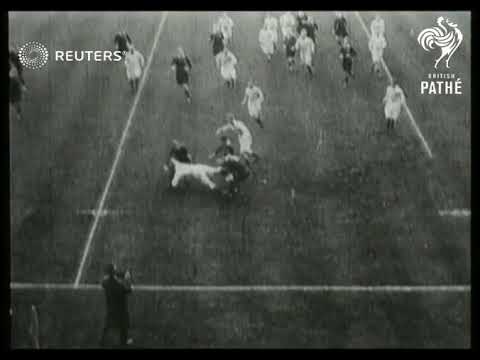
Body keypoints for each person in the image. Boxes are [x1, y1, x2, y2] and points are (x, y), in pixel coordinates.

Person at [100, 264, 133, 347]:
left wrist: (120, 275)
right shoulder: (119, 287)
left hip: (111, 308)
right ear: (113, 272)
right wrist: (128, 279)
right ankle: (124, 342)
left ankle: (102, 341)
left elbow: (110, 278)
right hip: (120, 310)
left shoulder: (105, 283)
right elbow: (128, 290)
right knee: (124, 325)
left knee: (107, 325)